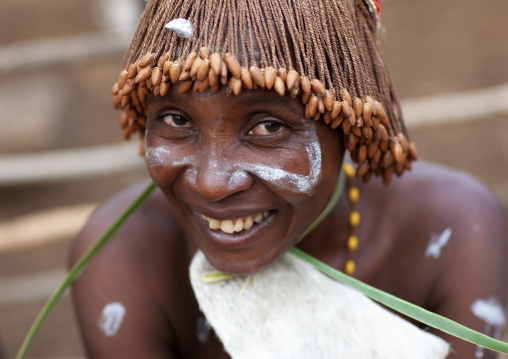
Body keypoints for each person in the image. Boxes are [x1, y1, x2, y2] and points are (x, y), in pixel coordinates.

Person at [70, 0, 507, 358]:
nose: (212, 183)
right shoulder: (125, 260)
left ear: (350, 120)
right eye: (175, 119)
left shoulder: (454, 234)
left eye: (267, 127)